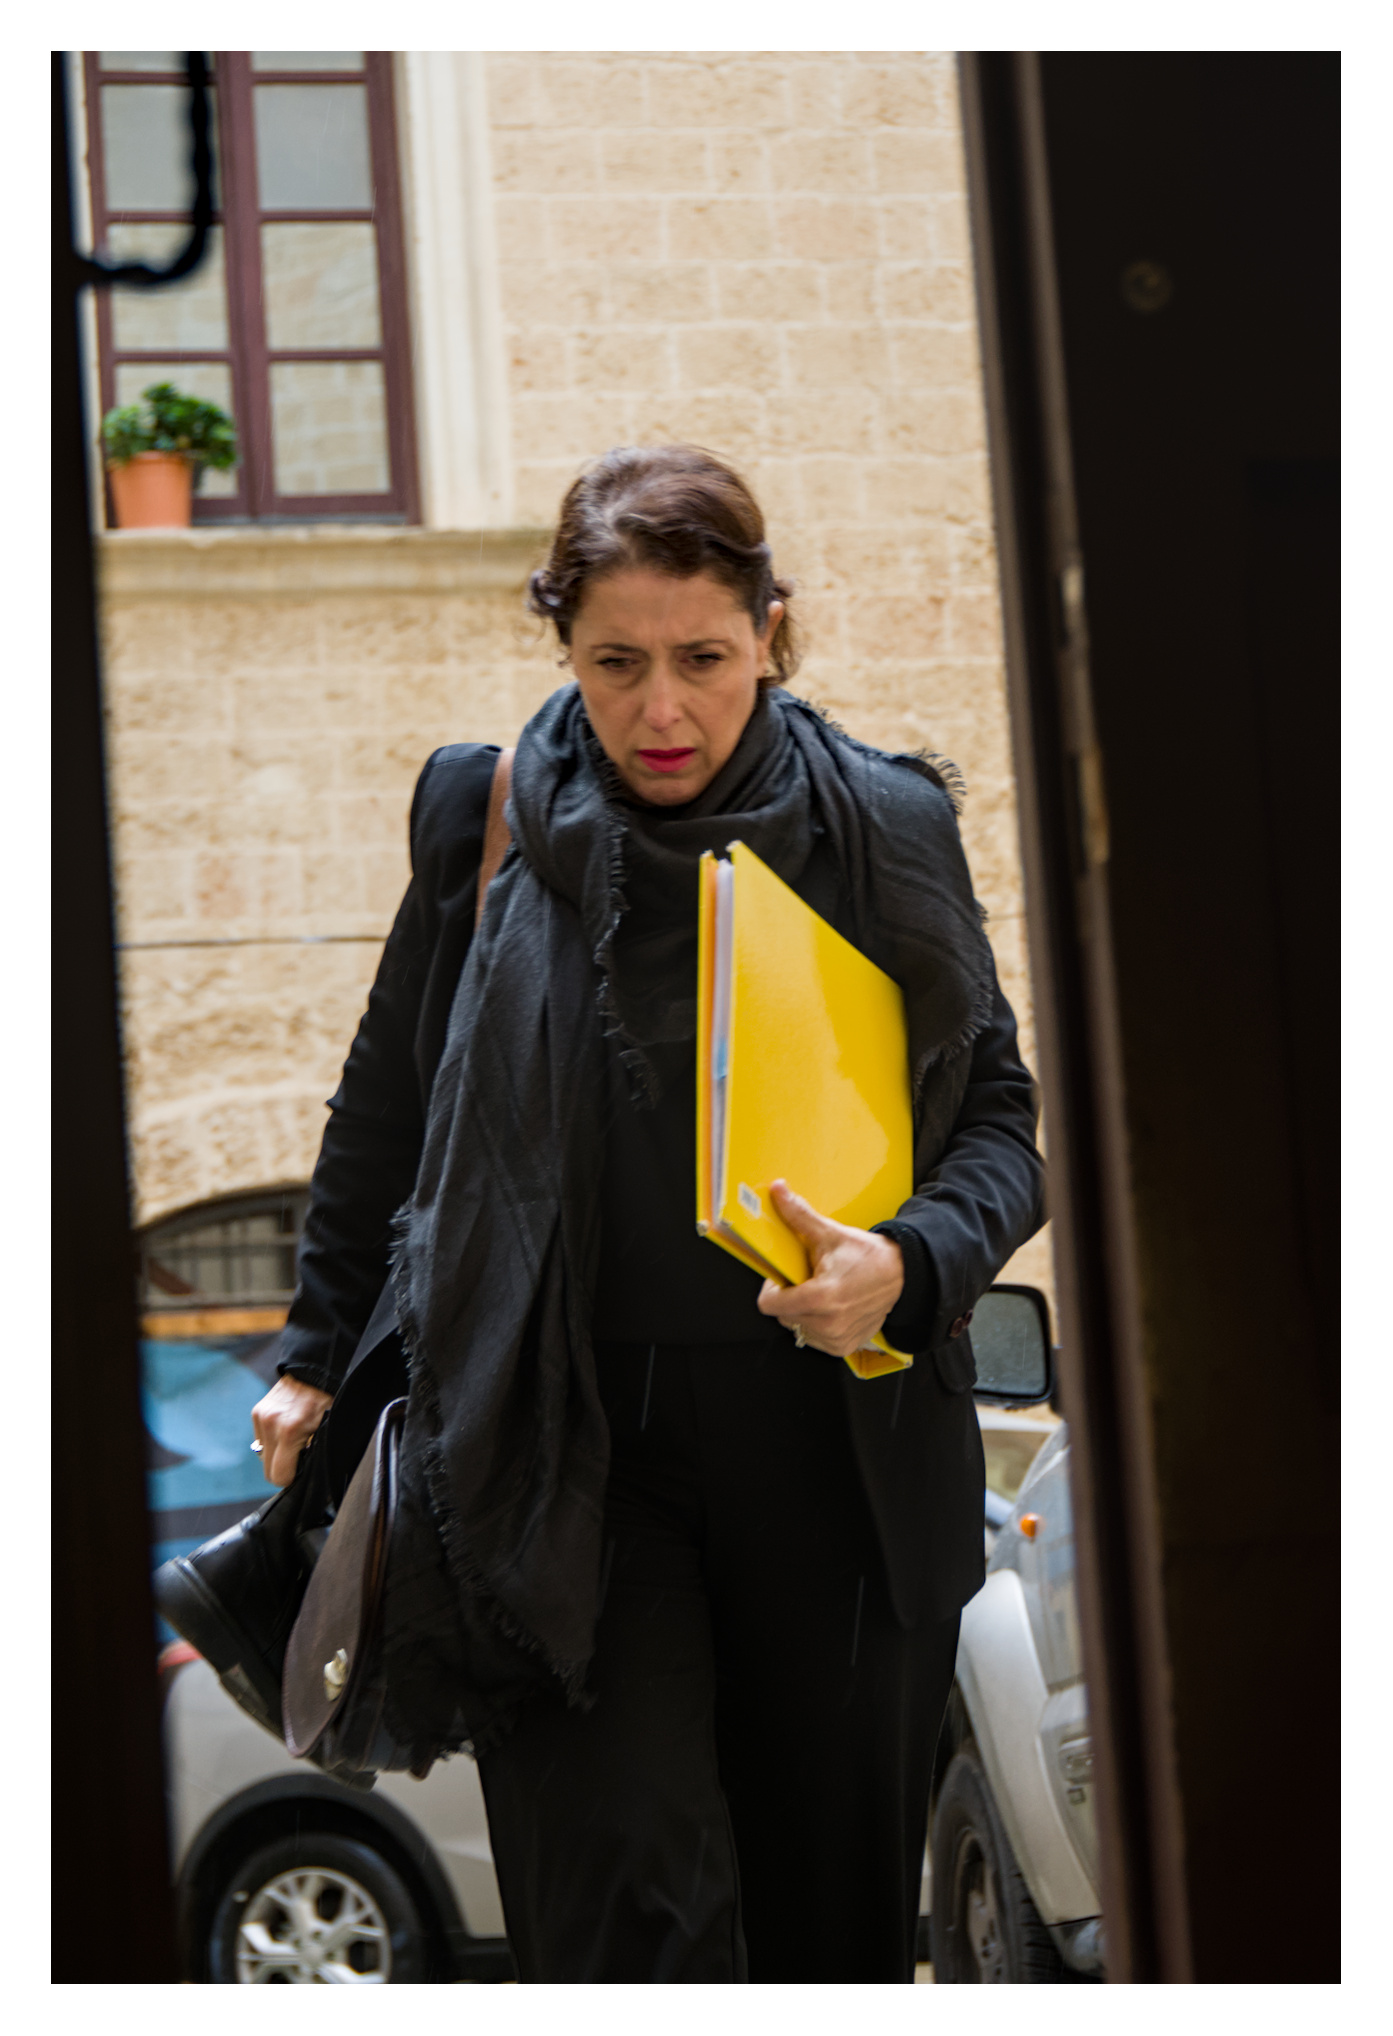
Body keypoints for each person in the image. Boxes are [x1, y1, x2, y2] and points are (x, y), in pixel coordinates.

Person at [251, 444, 1045, 1982]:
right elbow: (387, 1106)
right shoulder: (483, 818)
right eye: (615, 663)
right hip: (559, 1457)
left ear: (769, 634)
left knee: (824, 1940)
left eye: (703, 660)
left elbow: (999, 1123)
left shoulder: (883, 827)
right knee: (620, 1929)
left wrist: (908, 1262)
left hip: (834, 1459)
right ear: (561, 643)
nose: (660, 709)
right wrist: (311, 1350)